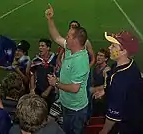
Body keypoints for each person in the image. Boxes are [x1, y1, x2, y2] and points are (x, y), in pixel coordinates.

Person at [46, 4, 90, 134]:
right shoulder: (70, 49)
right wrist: (50, 19)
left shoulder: (81, 61)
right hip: (66, 104)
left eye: (69, 36)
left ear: (76, 40)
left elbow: (75, 88)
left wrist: (56, 83)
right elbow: (56, 37)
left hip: (76, 110)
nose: (66, 37)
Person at [94, 31, 143, 134]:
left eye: (113, 46)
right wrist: (105, 90)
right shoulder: (130, 65)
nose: (109, 48)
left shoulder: (120, 79)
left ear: (123, 51)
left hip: (125, 127)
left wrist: (104, 131)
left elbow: (113, 115)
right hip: (135, 120)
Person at [28, 38, 57, 111]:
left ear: (48, 48)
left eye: (42, 46)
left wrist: (48, 90)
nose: (40, 48)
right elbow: (32, 74)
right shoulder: (36, 60)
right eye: (39, 46)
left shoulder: (55, 60)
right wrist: (32, 89)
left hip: (51, 92)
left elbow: (56, 75)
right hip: (38, 90)